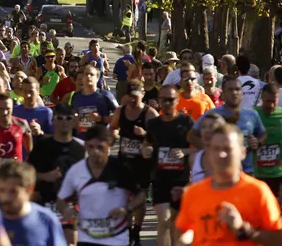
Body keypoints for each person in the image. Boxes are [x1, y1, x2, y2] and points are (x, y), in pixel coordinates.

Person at [175, 123, 282, 244]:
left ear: (242, 153)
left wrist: (244, 229)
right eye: (216, 149)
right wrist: (185, 238)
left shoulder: (258, 191)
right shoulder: (194, 193)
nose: (221, 154)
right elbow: (183, 230)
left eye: (228, 149)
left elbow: (278, 239)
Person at [56, 125, 146, 246]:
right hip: (86, 238)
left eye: (100, 147)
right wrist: (66, 210)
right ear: (85, 146)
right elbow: (61, 200)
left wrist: (127, 209)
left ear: (109, 145)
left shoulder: (120, 168)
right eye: (91, 147)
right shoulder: (76, 171)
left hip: (116, 238)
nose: (95, 152)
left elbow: (141, 196)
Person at [141, 85, 194, 246]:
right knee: (164, 221)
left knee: (176, 224)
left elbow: (200, 147)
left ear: (177, 101)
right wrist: (146, 150)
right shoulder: (153, 124)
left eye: (170, 100)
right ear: (158, 101)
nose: (166, 103)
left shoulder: (186, 122)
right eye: (163, 99)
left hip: (181, 179)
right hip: (160, 179)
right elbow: (146, 144)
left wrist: (184, 152)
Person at [108, 79, 158, 245]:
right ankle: (129, 231)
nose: (132, 99)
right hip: (124, 161)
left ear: (143, 94)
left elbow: (159, 138)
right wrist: (112, 137)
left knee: (140, 196)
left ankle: (137, 229)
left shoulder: (149, 114)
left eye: (135, 96)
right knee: (125, 197)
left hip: (142, 163)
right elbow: (113, 127)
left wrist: (144, 134)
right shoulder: (120, 111)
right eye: (130, 96)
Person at [28, 104, 85, 245]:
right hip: (46, 203)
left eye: (68, 118)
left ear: (75, 121)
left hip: (72, 205)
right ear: (53, 121)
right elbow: (26, 174)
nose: (64, 121)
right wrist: (45, 176)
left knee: (71, 241)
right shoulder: (42, 145)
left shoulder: (82, 148)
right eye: (60, 118)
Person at [189, 78, 266, 175]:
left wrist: (258, 142)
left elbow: (263, 134)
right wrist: (209, 149)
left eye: (237, 89)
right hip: (218, 172)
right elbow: (191, 136)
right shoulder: (212, 114)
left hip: (246, 171)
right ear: (223, 94)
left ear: (242, 93)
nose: (234, 93)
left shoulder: (251, 114)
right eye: (230, 90)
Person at [0, 161, 67, 246]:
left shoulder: (46, 220)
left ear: (29, 190)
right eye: (2, 190)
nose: (6, 197)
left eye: (13, 192)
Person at [68, 66, 116, 140]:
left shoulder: (105, 95)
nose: (88, 76)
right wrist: (74, 119)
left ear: (97, 78)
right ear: (83, 77)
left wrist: (101, 119)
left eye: (91, 74)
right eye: (86, 74)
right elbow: (73, 115)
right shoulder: (76, 96)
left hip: (99, 140)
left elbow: (120, 116)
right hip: (81, 139)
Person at [255, 83, 282, 198]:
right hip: (257, 174)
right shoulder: (253, 115)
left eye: (274, 101)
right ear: (262, 98)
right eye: (267, 101)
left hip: (278, 174)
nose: (271, 105)